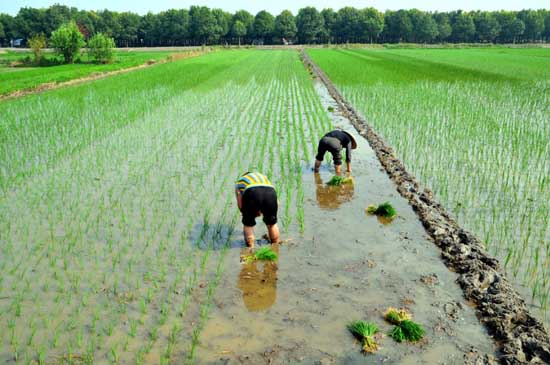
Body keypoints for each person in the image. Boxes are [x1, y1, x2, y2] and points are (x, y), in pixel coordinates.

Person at [235, 172, 280, 248]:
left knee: (248, 225)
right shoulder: (263, 177)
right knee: (272, 225)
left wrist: (246, 214)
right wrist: (272, 213)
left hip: (252, 192)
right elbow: (276, 201)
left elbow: (240, 201)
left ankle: (250, 248)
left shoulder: (240, 182)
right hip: (271, 192)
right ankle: (275, 246)